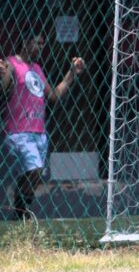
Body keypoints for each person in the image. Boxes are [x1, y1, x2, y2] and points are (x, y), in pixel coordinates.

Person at [1, 31, 86, 220]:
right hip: (18, 131)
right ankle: (21, 212)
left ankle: (20, 214)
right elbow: (4, 87)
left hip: (39, 133)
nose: (40, 48)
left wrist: (72, 73)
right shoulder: (11, 64)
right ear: (25, 42)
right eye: (37, 43)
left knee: (34, 174)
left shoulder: (37, 68)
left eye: (42, 44)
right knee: (35, 170)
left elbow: (53, 95)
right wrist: (2, 76)